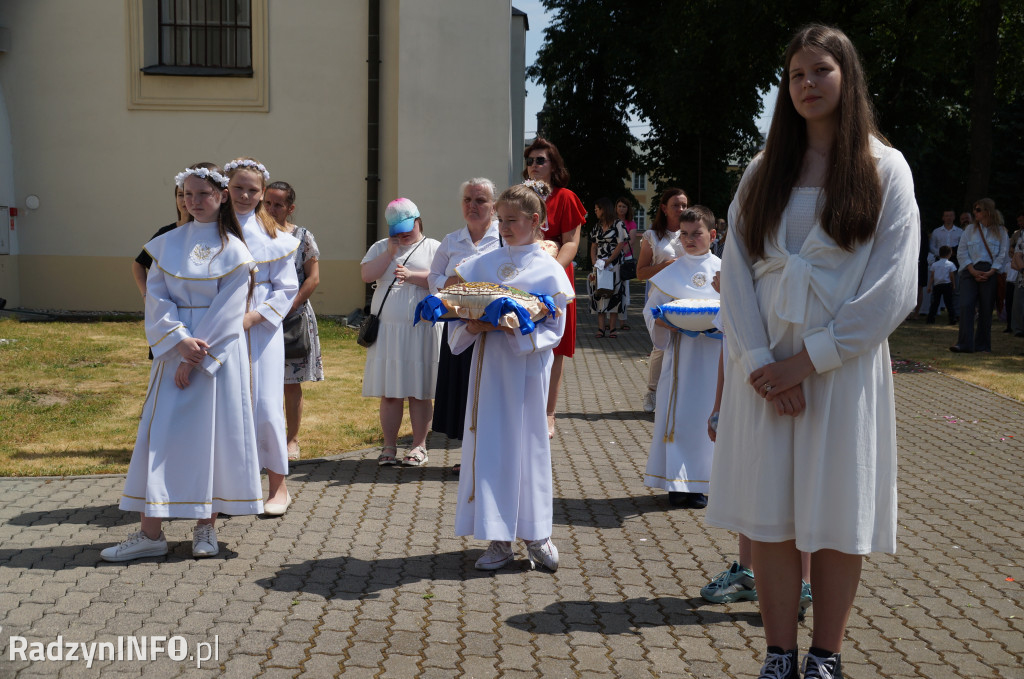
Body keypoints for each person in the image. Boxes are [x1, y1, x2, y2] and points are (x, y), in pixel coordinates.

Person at [707, 25, 919, 679]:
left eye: (820, 70)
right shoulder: (763, 170)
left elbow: (892, 289)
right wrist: (761, 365)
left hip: (840, 375)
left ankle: (826, 654)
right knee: (769, 515)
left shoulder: (885, 168)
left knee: (834, 513)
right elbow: (735, 274)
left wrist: (805, 362)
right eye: (796, 74)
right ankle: (779, 653)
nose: (807, 84)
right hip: (765, 373)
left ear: (847, 77)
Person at [101, 163, 262, 562]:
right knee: (160, 438)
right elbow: (156, 296)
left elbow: (229, 311)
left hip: (215, 359)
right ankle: (150, 533)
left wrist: (195, 356)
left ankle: (206, 527)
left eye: (203, 194)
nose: (194, 201)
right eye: (188, 194)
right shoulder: (166, 243)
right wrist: (178, 341)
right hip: (174, 351)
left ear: (221, 196)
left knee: (214, 440)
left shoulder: (235, 250)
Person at [449, 181, 573, 572]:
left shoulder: (549, 269)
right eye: (500, 220)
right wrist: (474, 325)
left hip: (526, 373)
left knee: (527, 448)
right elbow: (459, 313)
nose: (503, 228)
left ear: (534, 221)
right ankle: (499, 539)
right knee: (491, 448)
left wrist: (515, 328)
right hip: (488, 370)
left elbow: (554, 328)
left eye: (512, 221)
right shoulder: (482, 262)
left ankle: (536, 534)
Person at [702, 270, 813, 617]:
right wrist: (719, 407)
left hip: (797, 395)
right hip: (748, 399)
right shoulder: (737, 292)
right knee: (752, 486)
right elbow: (727, 352)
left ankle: (803, 582)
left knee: (797, 488)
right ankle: (748, 572)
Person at [225, 157, 300, 516]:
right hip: (221, 324)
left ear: (262, 192)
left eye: (252, 189)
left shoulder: (275, 236)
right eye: (237, 188)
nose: (244, 195)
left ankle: (278, 486)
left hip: (261, 328)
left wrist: (254, 317)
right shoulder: (212, 229)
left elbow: (287, 288)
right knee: (227, 404)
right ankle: (229, 488)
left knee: (266, 403)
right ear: (226, 189)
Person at [643, 206, 720, 509]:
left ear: (712, 235)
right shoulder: (670, 273)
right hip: (680, 359)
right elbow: (652, 310)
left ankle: (703, 483)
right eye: (684, 234)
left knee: (707, 417)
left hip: (714, 357)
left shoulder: (724, 270)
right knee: (678, 417)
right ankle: (677, 484)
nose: (689, 239)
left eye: (696, 234)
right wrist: (661, 322)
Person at [361, 198, 442, 466]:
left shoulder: (434, 248)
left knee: (420, 391)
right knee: (391, 392)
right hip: (388, 332)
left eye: (407, 229)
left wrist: (412, 276)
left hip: (421, 330)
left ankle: (419, 446)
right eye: (397, 230)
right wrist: (389, 252)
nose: (403, 235)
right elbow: (366, 275)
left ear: (418, 221)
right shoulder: (380, 247)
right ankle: (389, 446)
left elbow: (442, 282)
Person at [428, 178, 501, 474]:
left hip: (495, 331)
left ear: (493, 207)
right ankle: (471, 457)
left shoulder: (503, 239)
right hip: (459, 328)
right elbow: (433, 277)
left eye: (480, 200)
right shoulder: (451, 241)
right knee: (464, 394)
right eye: (468, 200)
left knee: (489, 393)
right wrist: (453, 282)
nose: (473, 205)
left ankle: (490, 458)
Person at [523, 138, 586, 439]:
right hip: (523, 276)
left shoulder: (565, 197)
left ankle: (549, 412)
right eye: (530, 161)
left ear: (553, 165)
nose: (534, 165)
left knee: (555, 344)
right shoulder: (521, 197)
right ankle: (522, 408)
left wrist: (551, 272)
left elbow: (571, 242)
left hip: (555, 274)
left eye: (540, 160)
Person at [264, 181, 324, 460]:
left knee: (290, 382)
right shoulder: (251, 234)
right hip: (260, 316)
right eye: (267, 203)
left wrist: (291, 305)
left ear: (290, 208)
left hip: (292, 317)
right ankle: (263, 439)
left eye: (278, 204)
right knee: (259, 382)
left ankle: (292, 440)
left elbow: (313, 278)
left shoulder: (302, 236)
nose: (271, 209)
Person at [635, 188, 689, 413]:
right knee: (661, 346)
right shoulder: (653, 236)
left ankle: (681, 395)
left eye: (684, 205)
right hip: (661, 298)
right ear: (664, 208)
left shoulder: (691, 233)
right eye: (676, 205)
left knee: (687, 345)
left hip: (687, 298)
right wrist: (666, 266)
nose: (681, 209)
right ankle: (652, 392)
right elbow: (641, 273)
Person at [951, 198, 1009, 353]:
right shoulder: (970, 230)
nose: (974, 212)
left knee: (986, 309)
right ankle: (964, 344)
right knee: (966, 305)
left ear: (987, 212)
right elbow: (962, 251)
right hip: (970, 271)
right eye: (974, 209)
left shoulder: (1001, 231)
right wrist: (971, 270)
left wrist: (992, 271)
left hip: (990, 272)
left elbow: (1003, 254)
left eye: (978, 210)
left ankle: (982, 345)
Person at [131, 184, 190, 299]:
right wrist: (146, 295)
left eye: (189, 194)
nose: (184, 200)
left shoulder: (210, 232)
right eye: (180, 195)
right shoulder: (166, 233)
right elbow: (138, 265)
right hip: (169, 302)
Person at [589, 197, 628, 338]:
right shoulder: (597, 226)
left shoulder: (618, 224)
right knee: (599, 293)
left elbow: (621, 243)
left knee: (614, 293)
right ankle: (601, 328)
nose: (595, 211)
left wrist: (610, 259)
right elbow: (593, 245)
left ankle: (612, 328)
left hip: (614, 264)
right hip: (600, 265)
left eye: (597, 209)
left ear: (604, 209)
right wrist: (594, 261)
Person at [615, 197, 640, 330]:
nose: (621, 209)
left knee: (623, 290)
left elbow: (631, 240)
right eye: (619, 206)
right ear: (616, 208)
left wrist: (620, 253)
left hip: (625, 259)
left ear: (628, 209)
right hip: (611, 259)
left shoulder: (631, 223)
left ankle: (622, 321)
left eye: (624, 206)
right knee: (610, 288)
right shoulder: (612, 222)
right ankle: (609, 321)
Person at [927, 245, 957, 324]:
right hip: (947, 285)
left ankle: (930, 319)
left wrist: (929, 286)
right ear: (949, 254)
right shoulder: (951, 264)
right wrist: (953, 284)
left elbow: (932, 276)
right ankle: (952, 319)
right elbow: (952, 276)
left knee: (935, 303)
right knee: (949, 303)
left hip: (937, 285)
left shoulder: (935, 264)